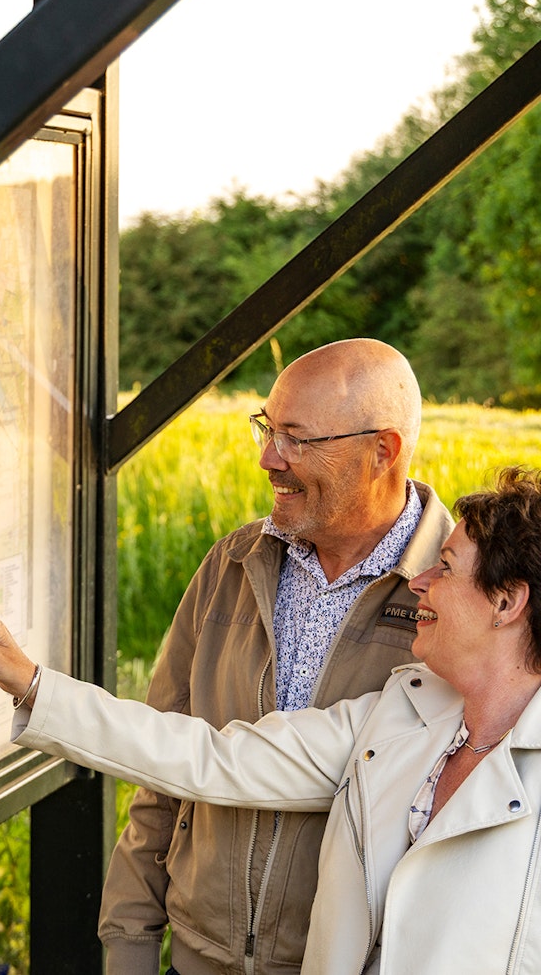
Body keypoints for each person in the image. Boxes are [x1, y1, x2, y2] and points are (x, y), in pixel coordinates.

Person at [0, 465, 541, 974]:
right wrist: (32, 685)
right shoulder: (401, 713)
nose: (419, 583)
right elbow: (208, 757)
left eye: (446, 567)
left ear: (507, 602)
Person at [100, 338, 452, 974]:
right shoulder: (231, 564)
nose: (269, 458)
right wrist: (128, 947)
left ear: (384, 450)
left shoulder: (458, 595)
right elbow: (161, 778)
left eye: (298, 438)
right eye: (268, 428)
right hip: (196, 961)